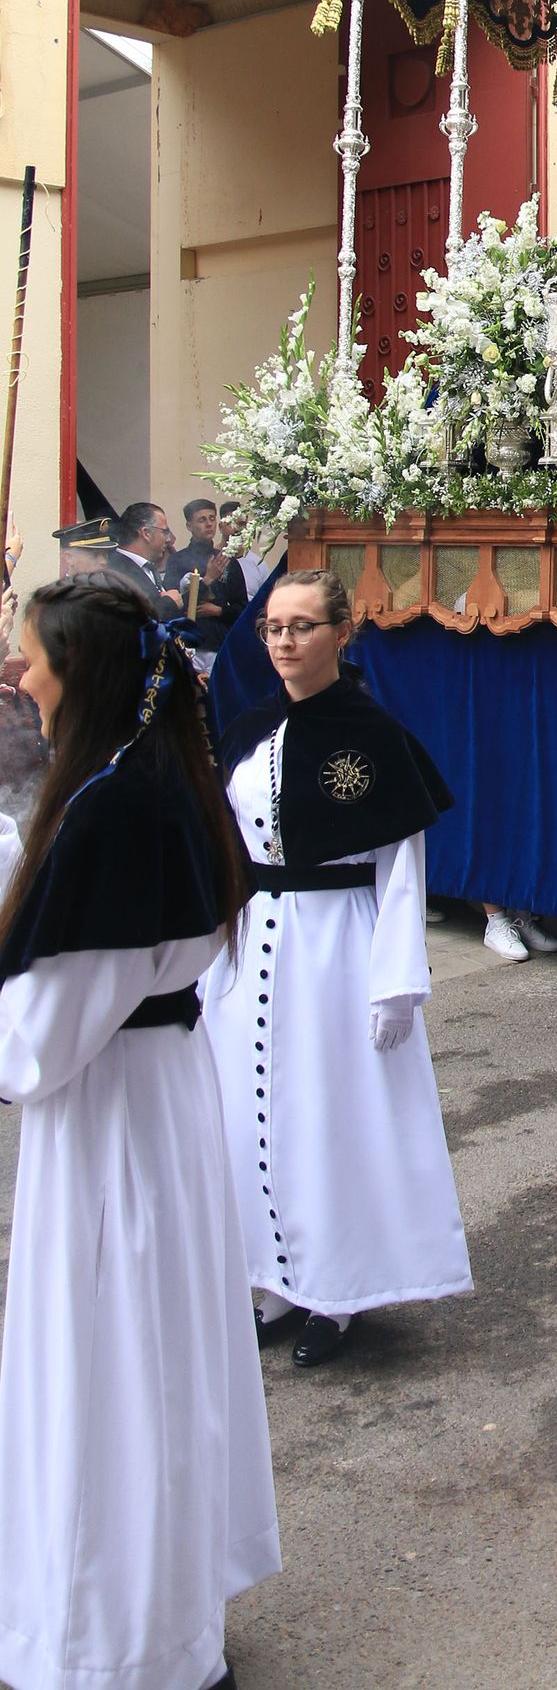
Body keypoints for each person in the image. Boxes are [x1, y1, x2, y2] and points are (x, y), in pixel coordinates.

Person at [0, 574, 280, 1690]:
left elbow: (39, 1046)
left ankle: (112, 1647)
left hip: (113, 1121)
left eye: (31, 656)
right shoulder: (162, 782)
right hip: (154, 1102)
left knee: (107, 1377)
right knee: (154, 1369)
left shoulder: (115, 808)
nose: (19, 674)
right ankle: (149, 1621)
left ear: (86, 672)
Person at [205, 568, 472, 1367]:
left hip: (335, 948)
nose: (285, 642)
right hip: (255, 943)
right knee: (249, 1115)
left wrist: (396, 978)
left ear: (341, 634)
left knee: (326, 1117)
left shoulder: (372, 735)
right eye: (273, 629)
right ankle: (270, 1282)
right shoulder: (249, 727)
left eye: (302, 627)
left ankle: (337, 1291)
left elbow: (399, 866)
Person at [168, 496, 250, 662]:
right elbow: (172, 606)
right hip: (188, 644)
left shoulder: (227, 561)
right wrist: (208, 579)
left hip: (220, 643)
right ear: (189, 526)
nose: (209, 524)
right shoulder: (177, 560)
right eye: (202, 520)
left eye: (212, 518)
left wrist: (219, 611)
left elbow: (242, 608)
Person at [106, 498, 186, 616]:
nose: (168, 539)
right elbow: (136, 618)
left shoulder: (148, 567)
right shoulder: (116, 570)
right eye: (164, 532)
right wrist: (170, 603)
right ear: (146, 533)